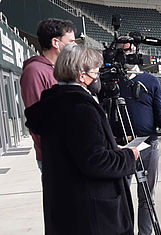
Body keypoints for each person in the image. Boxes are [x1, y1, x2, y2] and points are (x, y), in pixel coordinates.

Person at [24, 44, 139, 235]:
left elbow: (78, 149)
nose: (98, 77)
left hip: (66, 207)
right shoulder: (80, 108)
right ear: (81, 75)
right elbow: (95, 162)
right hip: (92, 215)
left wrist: (110, 147)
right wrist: (127, 155)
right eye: (95, 72)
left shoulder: (54, 102)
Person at [116, 42, 161, 235]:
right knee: (120, 196)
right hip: (121, 147)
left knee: (147, 197)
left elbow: (160, 116)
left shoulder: (151, 80)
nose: (128, 55)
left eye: (130, 51)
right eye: (123, 52)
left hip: (148, 145)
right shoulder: (111, 81)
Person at [20, 18, 76, 172]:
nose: (74, 46)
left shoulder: (61, 69)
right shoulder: (35, 71)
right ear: (55, 43)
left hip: (72, 151)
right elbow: (37, 118)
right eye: (70, 41)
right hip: (55, 156)